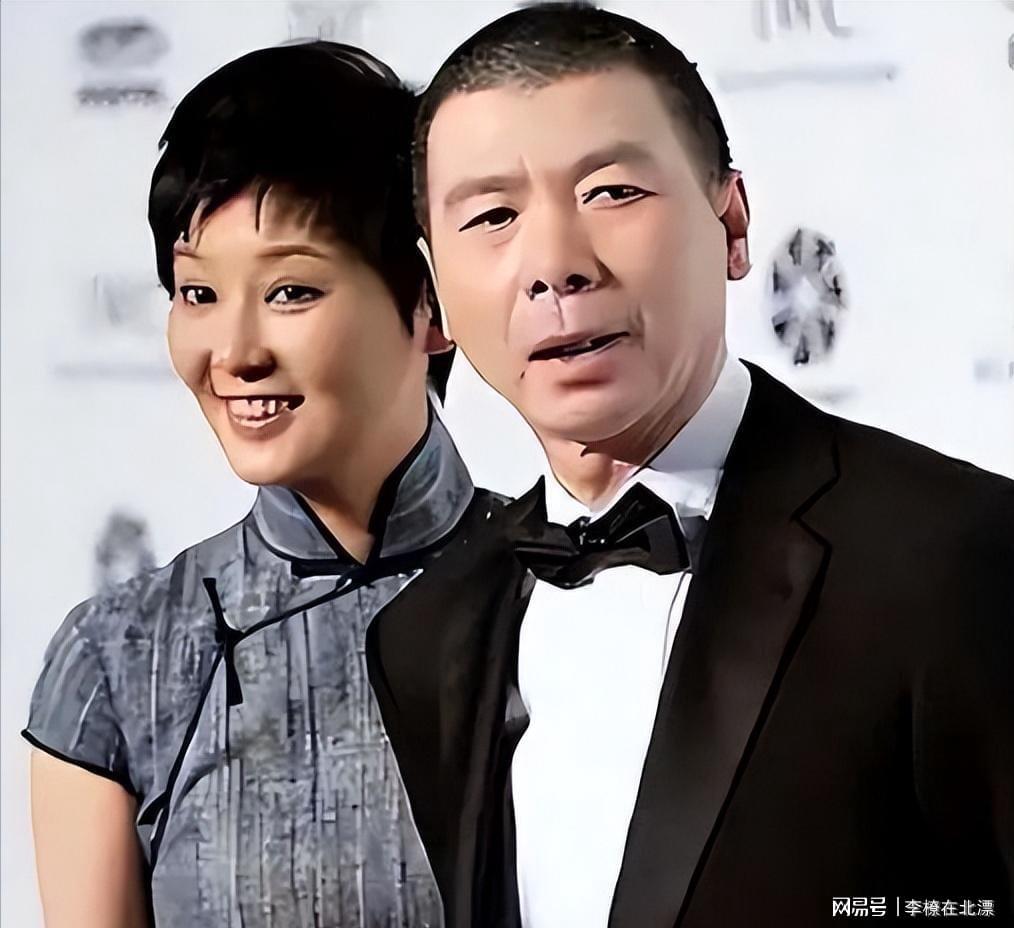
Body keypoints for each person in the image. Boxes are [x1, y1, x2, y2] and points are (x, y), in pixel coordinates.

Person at [366, 4, 1014, 927]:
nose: (554, 265)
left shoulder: (956, 558)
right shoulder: (427, 633)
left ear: (732, 224)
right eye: (494, 215)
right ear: (434, 290)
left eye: (611, 193)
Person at [22, 40, 491, 928]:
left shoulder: (569, 592)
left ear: (431, 301)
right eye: (198, 294)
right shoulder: (121, 658)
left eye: (290, 292)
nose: (234, 353)